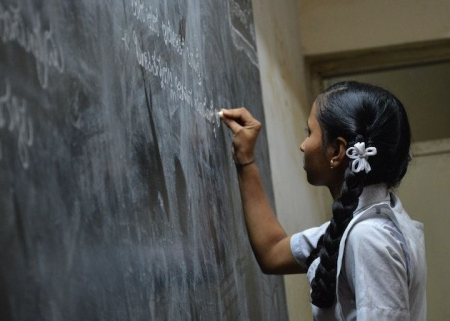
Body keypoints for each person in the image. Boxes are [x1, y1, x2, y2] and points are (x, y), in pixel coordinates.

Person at [219, 81, 426, 321]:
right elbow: (273, 252)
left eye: (310, 133)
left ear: (337, 152)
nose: (303, 145)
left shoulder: (369, 236)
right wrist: (245, 159)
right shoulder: (363, 224)